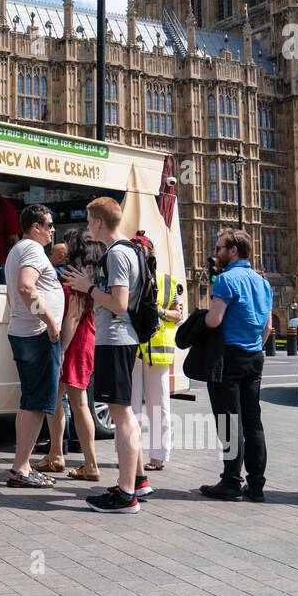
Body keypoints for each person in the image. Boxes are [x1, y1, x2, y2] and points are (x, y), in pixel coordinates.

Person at [66, 196, 148, 513]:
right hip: (124, 339)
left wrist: (88, 287)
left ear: (99, 222)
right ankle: (136, 480)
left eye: (89, 221)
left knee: (121, 416)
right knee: (125, 413)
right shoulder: (133, 249)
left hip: (115, 338)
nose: (88, 227)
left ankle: (127, 494)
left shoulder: (116, 255)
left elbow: (119, 304)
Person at [199, 228, 273, 502]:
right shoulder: (262, 282)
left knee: (229, 422)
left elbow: (215, 320)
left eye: (219, 248)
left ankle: (230, 481)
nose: (216, 253)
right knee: (253, 422)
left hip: (228, 357)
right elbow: (267, 327)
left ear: (233, 251)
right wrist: (255, 346)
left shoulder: (226, 280)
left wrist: (200, 322)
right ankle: (256, 485)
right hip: (254, 357)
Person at [4, 204, 64, 488]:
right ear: (35, 227)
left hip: (25, 331)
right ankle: (21, 468)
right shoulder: (31, 249)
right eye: (49, 225)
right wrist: (50, 321)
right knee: (37, 403)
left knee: (29, 401)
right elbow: (26, 287)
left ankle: (22, 465)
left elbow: (15, 293)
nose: (52, 230)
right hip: (38, 335)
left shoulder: (18, 250)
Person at [35, 229, 102, 481]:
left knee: (74, 401)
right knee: (65, 399)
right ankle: (57, 455)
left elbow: (73, 314)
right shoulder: (89, 272)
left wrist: (61, 349)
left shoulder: (76, 274)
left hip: (74, 341)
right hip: (82, 339)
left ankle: (88, 463)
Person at [134, 252, 180, 472]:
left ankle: (158, 456)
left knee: (159, 405)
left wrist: (158, 310)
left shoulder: (167, 281)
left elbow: (178, 314)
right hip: (133, 350)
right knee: (130, 406)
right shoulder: (129, 278)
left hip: (156, 349)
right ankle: (131, 453)